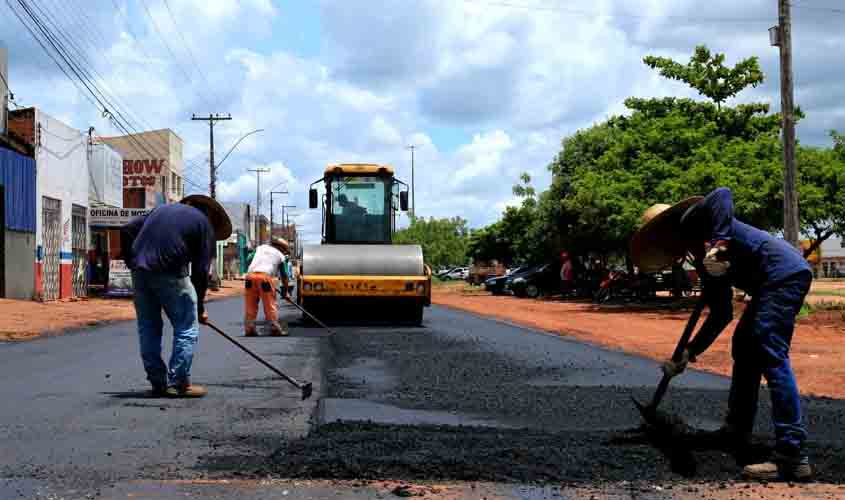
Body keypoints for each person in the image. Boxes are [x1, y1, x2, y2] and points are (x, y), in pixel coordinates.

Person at [631, 187, 813, 481]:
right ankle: (737, 430)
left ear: (666, 231)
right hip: (769, 283)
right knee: (744, 345)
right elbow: (720, 313)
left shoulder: (692, 221)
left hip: (783, 273)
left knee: (770, 352)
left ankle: (792, 455)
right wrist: (689, 352)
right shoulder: (699, 256)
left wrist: (719, 244)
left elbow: (723, 195)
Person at [121, 195, 232, 398]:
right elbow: (200, 272)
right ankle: (179, 383)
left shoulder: (160, 210)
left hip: (140, 272)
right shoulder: (203, 224)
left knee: (148, 326)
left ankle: (157, 382)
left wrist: (131, 262)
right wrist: (198, 309)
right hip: (170, 271)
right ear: (210, 215)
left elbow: (127, 229)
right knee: (186, 327)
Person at [244, 237, 291, 337]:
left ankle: (249, 328)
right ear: (281, 248)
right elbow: (285, 275)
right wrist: (285, 291)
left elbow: (248, 259)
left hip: (250, 277)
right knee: (270, 304)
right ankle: (274, 328)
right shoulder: (280, 255)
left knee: (251, 304)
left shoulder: (260, 248)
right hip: (265, 278)